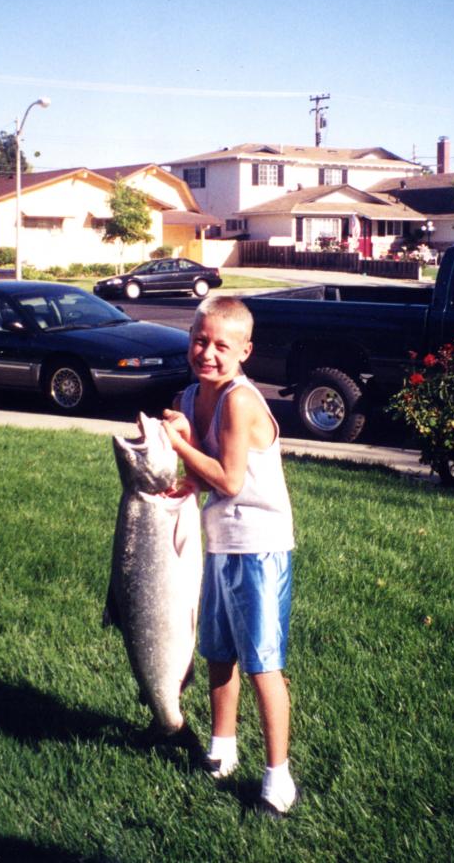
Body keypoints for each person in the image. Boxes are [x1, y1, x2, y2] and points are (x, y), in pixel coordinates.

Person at [161, 296, 299, 817]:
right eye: (200, 341)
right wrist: (174, 479)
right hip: (215, 543)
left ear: (245, 350)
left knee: (264, 664)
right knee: (218, 651)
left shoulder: (240, 401)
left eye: (223, 345)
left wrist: (179, 448)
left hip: (258, 547)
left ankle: (278, 781)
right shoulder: (190, 394)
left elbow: (231, 480)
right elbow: (202, 476)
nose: (208, 353)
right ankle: (222, 750)